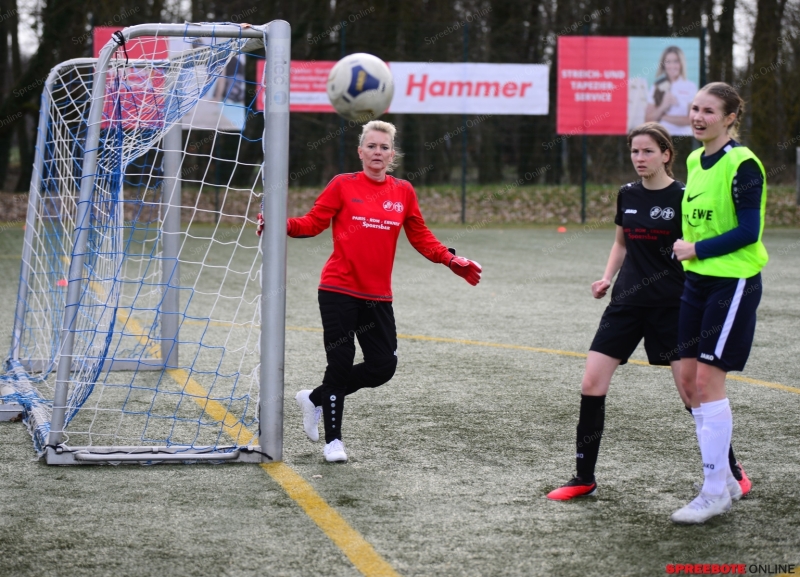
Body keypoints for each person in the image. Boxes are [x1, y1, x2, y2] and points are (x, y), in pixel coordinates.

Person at [546, 122, 749, 501]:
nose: (639, 158)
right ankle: (583, 477)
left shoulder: (686, 197)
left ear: (666, 154)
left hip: (672, 307)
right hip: (625, 304)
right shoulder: (627, 194)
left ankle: (732, 470)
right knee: (591, 383)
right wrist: (606, 278)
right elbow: (620, 243)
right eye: (634, 152)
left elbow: (699, 247)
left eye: (648, 151)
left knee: (693, 394)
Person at [259, 120, 481, 463]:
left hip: (378, 296)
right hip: (337, 290)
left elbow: (421, 236)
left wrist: (450, 260)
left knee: (382, 366)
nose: (378, 152)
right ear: (361, 151)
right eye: (372, 146)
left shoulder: (403, 191)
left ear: (392, 154)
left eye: (384, 147)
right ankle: (334, 442)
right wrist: (280, 224)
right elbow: (313, 223)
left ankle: (316, 398)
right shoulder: (342, 185)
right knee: (340, 361)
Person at [670, 82, 767, 524]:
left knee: (709, 383)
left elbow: (749, 231)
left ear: (730, 118)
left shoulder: (744, 164)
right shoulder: (693, 159)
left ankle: (713, 491)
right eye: (694, 108)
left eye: (709, 110)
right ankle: (725, 478)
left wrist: (697, 249)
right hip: (697, 284)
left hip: (733, 282)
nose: (698, 116)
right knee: (689, 385)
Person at [644, 46, 697, 136]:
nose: (672, 66)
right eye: (668, 62)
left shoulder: (690, 86)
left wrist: (662, 117)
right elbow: (648, 119)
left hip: (684, 136)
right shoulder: (657, 86)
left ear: (681, 63)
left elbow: (690, 120)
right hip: (661, 136)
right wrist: (663, 106)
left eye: (676, 61)